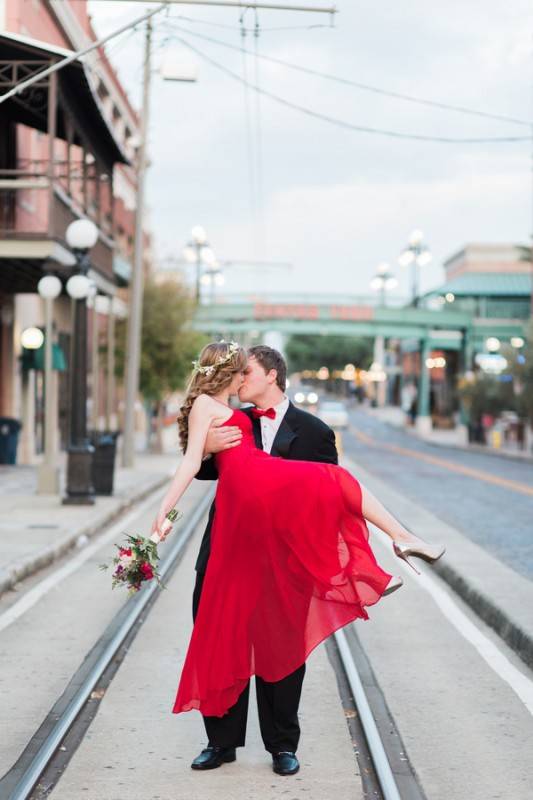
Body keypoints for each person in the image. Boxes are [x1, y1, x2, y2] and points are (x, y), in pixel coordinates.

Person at [151, 341, 445, 776]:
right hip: (229, 549)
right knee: (220, 636)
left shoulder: (314, 431)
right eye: (237, 372)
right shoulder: (233, 416)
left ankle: (282, 745)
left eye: (247, 371)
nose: (240, 377)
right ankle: (221, 743)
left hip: (284, 562)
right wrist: (208, 444)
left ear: (272, 375)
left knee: (281, 650)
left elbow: (329, 507)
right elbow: (202, 466)